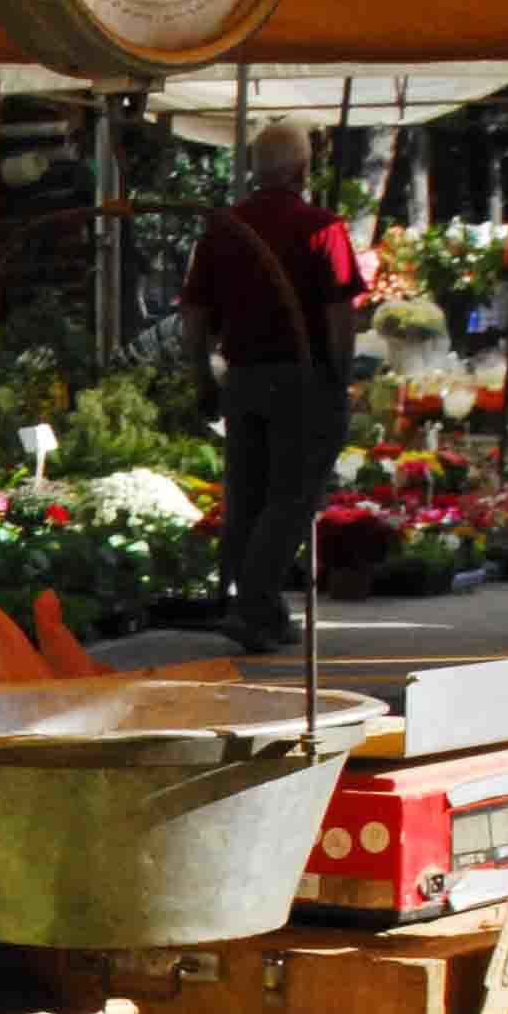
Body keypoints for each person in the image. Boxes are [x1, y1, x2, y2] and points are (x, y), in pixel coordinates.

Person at [179, 120, 365, 654]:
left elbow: (194, 316)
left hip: (242, 378)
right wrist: (338, 377)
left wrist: (200, 376)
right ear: (304, 169)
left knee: (247, 494)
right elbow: (338, 315)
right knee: (291, 495)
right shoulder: (321, 228)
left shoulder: (224, 228)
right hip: (301, 376)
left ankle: (254, 607)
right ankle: (255, 604)